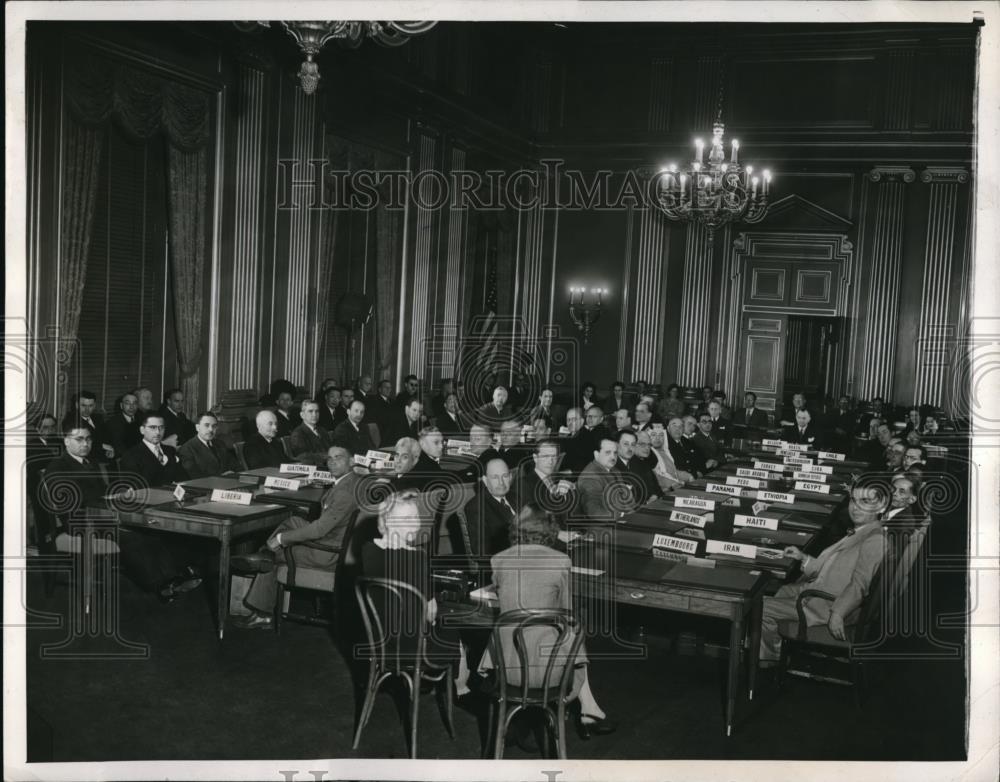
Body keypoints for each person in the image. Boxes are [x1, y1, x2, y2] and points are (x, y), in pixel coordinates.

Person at [486, 504, 616, 737]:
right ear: (550, 530)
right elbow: (567, 612)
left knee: (518, 629)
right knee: (573, 631)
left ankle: (586, 710)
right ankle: (587, 709)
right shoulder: (561, 561)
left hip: (507, 669)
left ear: (516, 529)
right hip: (551, 674)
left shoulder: (498, 560)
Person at [43, 426, 201, 602]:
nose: (85, 444)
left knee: (151, 530)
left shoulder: (89, 462)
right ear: (66, 441)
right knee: (132, 539)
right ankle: (161, 586)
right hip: (78, 522)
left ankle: (173, 577)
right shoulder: (58, 466)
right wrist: (108, 500)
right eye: (79, 439)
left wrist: (121, 494)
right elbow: (69, 502)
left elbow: (102, 491)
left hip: (100, 515)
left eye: (88, 439)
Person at [759, 476, 892, 663]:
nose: (855, 506)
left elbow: (860, 584)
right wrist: (803, 558)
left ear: (882, 507)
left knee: (760, 607)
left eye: (865, 501)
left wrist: (838, 613)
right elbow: (833, 566)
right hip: (817, 594)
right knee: (784, 589)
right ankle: (778, 651)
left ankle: (769, 660)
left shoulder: (874, 539)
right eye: (853, 500)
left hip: (826, 606)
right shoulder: (862, 531)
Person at [233, 446, 361, 629]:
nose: (332, 462)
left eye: (338, 457)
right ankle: (264, 552)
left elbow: (318, 530)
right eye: (329, 458)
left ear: (351, 462)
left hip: (328, 553)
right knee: (293, 520)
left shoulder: (344, 492)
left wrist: (281, 540)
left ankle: (263, 612)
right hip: (339, 541)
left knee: (274, 556)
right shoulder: (354, 481)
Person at [362, 492, 468, 691]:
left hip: (381, 644)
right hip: (415, 648)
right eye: (408, 519)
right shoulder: (417, 558)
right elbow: (431, 613)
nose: (416, 524)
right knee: (455, 624)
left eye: (416, 517)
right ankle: (461, 690)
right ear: (389, 521)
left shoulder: (368, 551)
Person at [577, 437, 636, 523]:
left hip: (623, 521)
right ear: (596, 454)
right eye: (608, 453)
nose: (613, 457)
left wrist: (632, 514)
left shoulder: (614, 471)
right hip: (603, 527)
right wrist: (622, 515)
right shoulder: (590, 476)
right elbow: (593, 511)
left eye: (615, 453)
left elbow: (628, 499)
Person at [119, 412, 187, 485]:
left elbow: (183, 478)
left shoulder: (170, 450)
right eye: (152, 427)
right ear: (142, 430)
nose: (158, 432)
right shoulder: (131, 455)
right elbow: (138, 487)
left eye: (161, 427)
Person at [177, 412, 239, 479]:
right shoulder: (187, 449)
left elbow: (236, 466)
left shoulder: (220, 444)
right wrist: (222, 477)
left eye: (214, 426)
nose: (211, 429)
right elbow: (195, 477)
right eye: (206, 425)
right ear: (197, 427)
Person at [62, 390, 114, 460]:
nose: (87, 409)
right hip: (84, 457)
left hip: (104, 455)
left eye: (90, 406)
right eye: (83, 405)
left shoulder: (98, 418)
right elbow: (77, 443)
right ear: (77, 405)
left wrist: (111, 449)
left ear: (94, 405)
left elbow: (107, 436)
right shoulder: (70, 420)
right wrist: (102, 446)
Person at [288, 400, 334, 467]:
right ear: (302, 415)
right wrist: (327, 456)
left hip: (329, 465)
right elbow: (302, 456)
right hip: (313, 468)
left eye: (317, 411)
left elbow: (331, 448)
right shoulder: (298, 433)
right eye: (310, 411)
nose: (314, 414)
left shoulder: (322, 430)